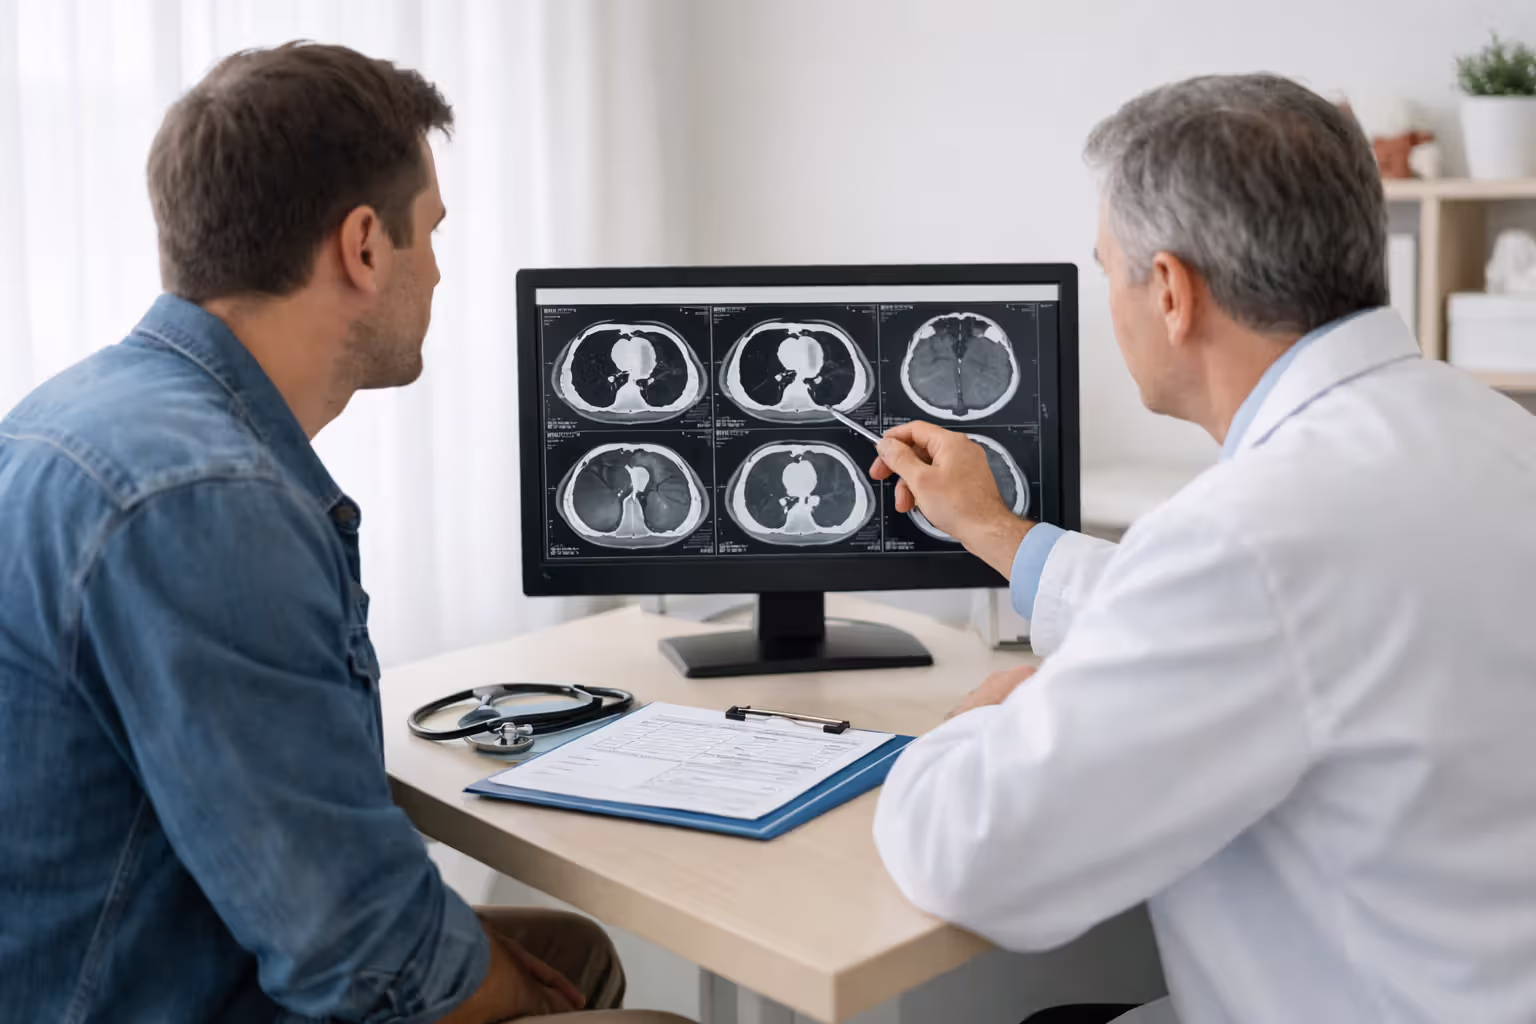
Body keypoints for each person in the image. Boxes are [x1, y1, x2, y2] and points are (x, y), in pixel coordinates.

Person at [0, 43, 690, 1024]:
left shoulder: (82, 412)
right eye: (432, 235)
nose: (441, 271)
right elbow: (356, 950)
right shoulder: (207, 500)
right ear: (364, 246)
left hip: (134, 936)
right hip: (135, 994)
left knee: (564, 947)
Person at [870, 74, 1536, 1024]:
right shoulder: (1483, 425)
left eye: (1107, 270)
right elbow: (1274, 629)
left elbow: (966, 854)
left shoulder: (1254, 533)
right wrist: (997, 532)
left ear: (1172, 291)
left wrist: (983, 716)